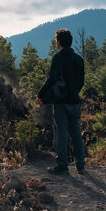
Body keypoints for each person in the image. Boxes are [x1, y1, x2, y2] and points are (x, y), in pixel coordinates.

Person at [36, 29, 85, 175]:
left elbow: (51, 79)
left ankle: (62, 165)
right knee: (76, 133)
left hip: (61, 102)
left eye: (56, 40)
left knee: (61, 133)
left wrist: (41, 95)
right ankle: (80, 165)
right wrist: (73, 92)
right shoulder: (79, 60)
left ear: (59, 42)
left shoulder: (58, 58)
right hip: (75, 101)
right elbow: (81, 82)